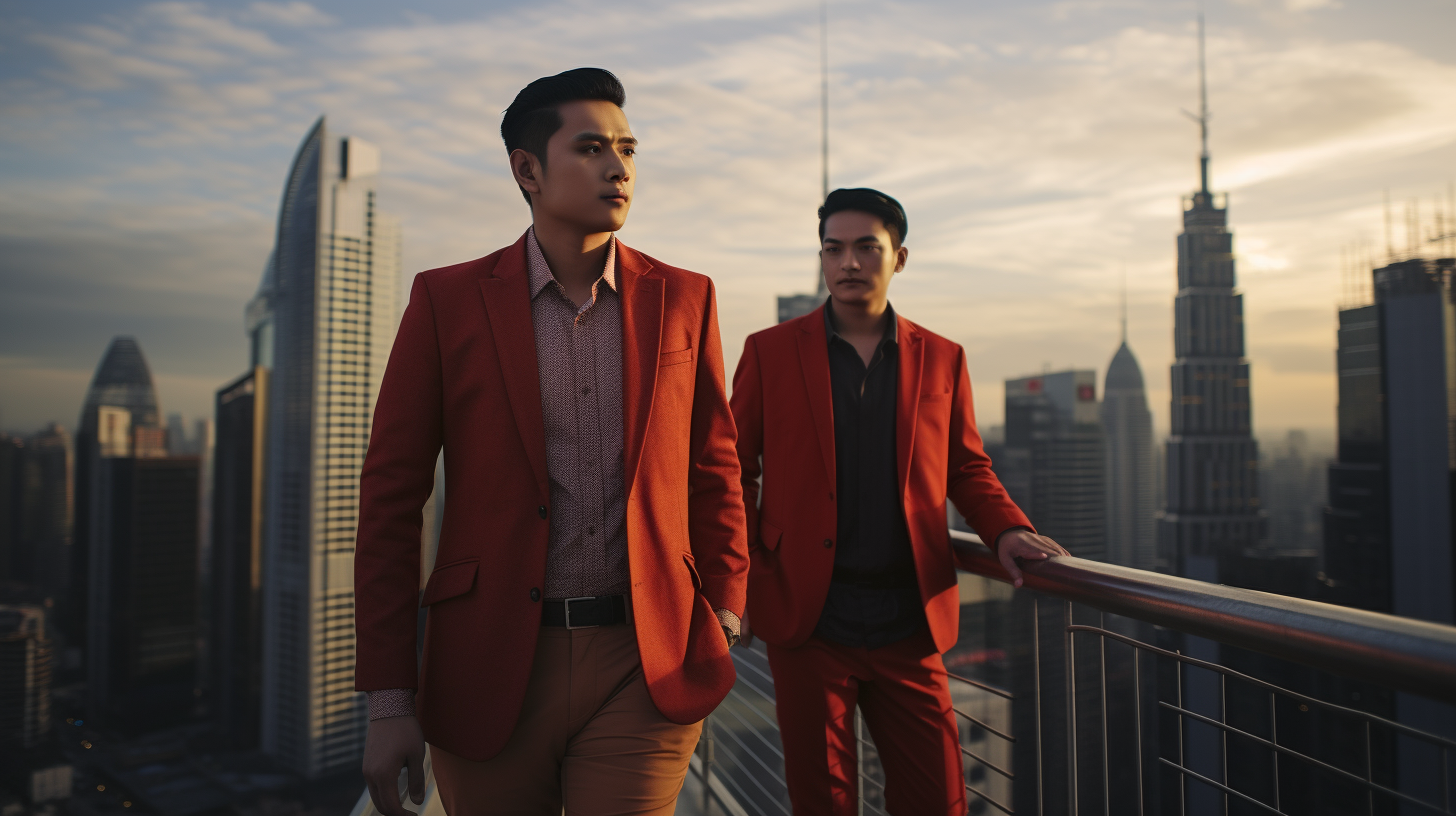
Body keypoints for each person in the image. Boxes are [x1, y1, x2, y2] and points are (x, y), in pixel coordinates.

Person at [354, 68, 748, 816]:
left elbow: (713, 463)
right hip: (490, 661)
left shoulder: (684, 296)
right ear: (527, 169)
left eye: (628, 149)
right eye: (593, 147)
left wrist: (723, 608)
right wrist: (388, 700)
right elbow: (392, 497)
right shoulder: (447, 301)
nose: (619, 167)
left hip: (646, 662)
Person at [730, 188, 1068, 816]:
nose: (848, 263)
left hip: (908, 618)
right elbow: (730, 471)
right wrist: (742, 576)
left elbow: (966, 467)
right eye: (834, 249)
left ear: (899, 257)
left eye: (866, 248)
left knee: (939, 799)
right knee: (823, 802)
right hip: (809, 619)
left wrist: (1007, 531)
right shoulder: (769, 352)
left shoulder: (942, 357)